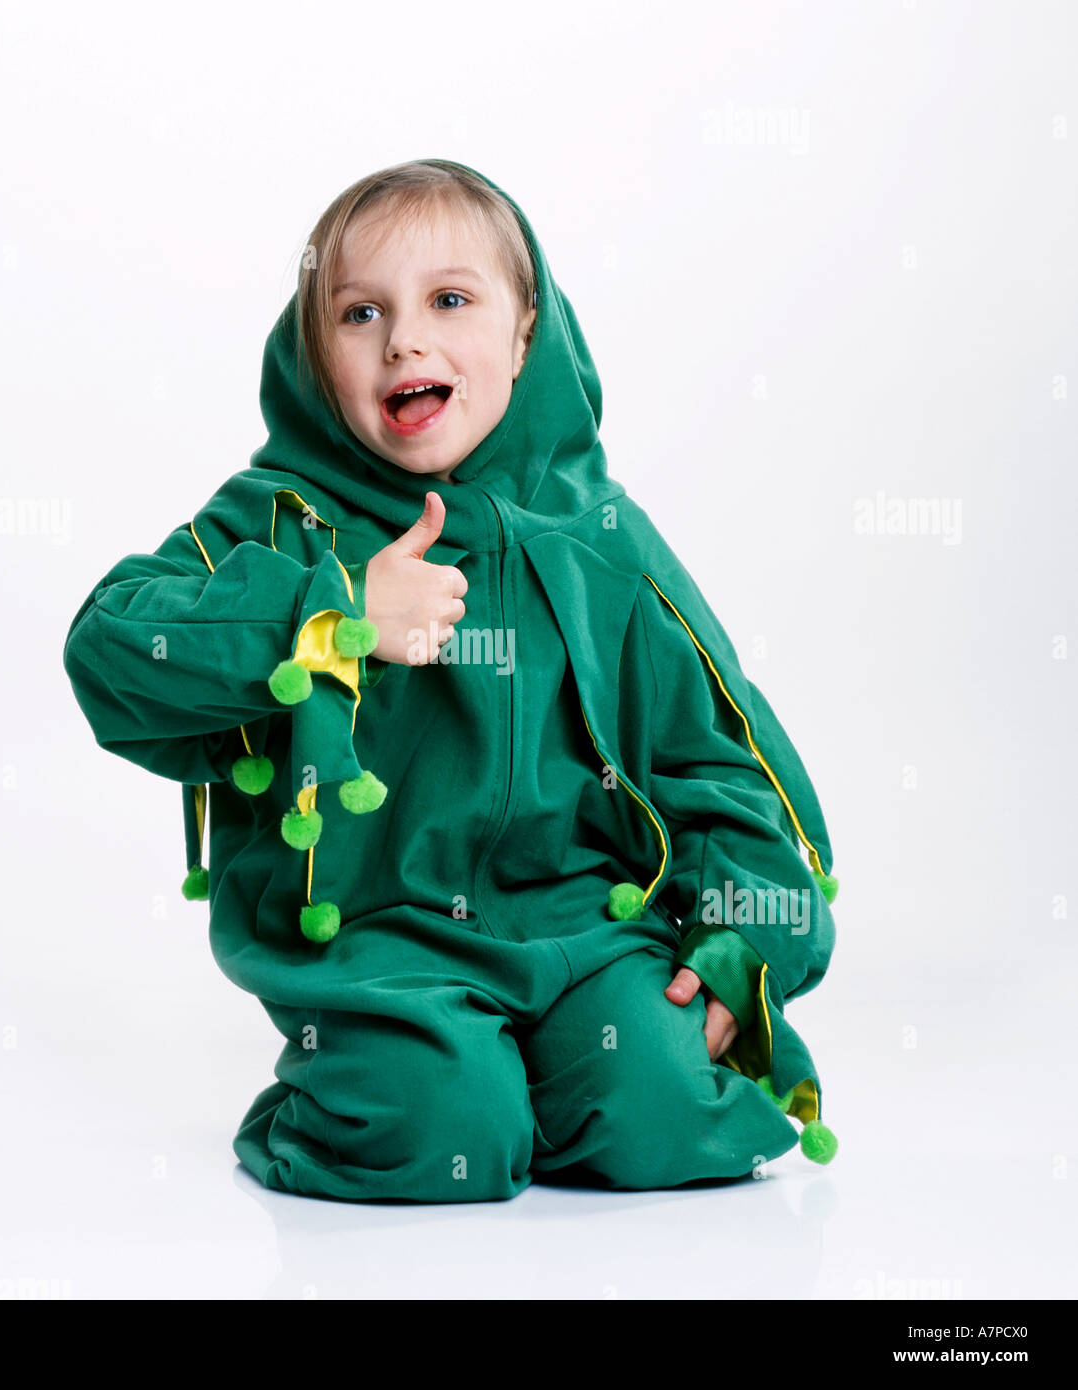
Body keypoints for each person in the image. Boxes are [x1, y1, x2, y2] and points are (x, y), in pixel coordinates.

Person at [62, 158, 840, 1204]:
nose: (403, 340)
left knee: (661, 1110)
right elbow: (108, 646)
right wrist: (325, 616)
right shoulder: (281, 522)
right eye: (358, 313)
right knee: (434, 1128)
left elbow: (707, 757)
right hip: (380, 948)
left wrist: (749, 933)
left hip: (585, 927)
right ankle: (413, 1082)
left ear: (525, 334)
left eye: (449, 300)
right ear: (312, 353)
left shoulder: (597, 537)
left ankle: (548, 1077)